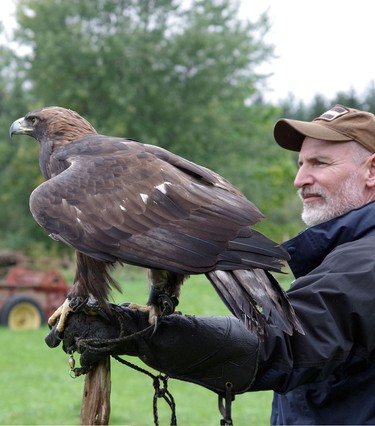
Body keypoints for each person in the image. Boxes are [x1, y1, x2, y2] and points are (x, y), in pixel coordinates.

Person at [47, 104, 375, 425]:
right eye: (301, 164)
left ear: (371, 171)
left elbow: (288, 347)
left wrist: (139, 335)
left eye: (320, 163)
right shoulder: (342, 252)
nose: (300, 179)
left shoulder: (367, 261)